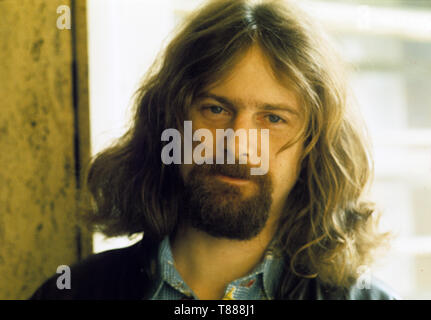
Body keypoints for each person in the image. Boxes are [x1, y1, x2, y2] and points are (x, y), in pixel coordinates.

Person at [30, 0, 399, 300]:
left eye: (272, 119)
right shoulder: (71, 294)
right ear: (169, 123)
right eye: (216, 109)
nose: (238, 145)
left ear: (313, 147)